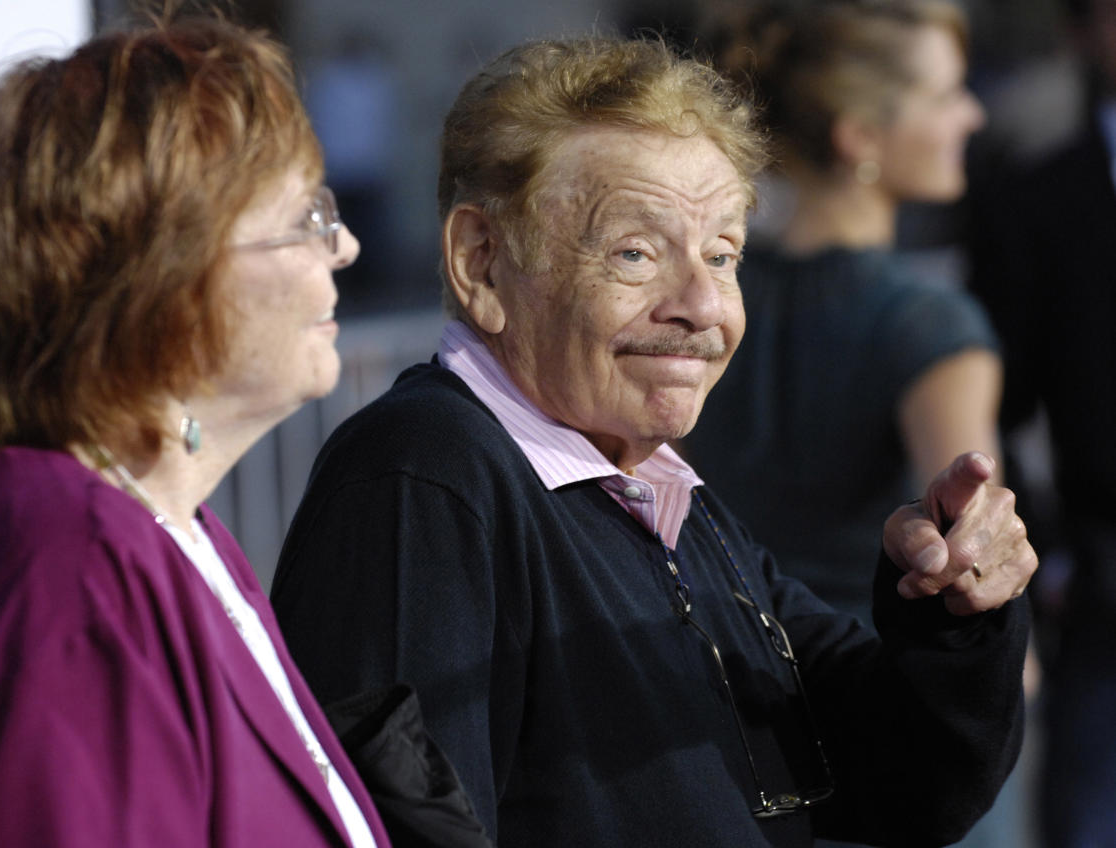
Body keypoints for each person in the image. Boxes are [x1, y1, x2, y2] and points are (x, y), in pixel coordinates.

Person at [271, 35, 1037, 847]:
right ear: (482, 262)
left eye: (723, 254)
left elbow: (909, 786)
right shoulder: (423, 476)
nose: (703, 304)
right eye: (636, 253)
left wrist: (953, 610)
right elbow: (397, 824)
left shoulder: (657, 494)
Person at [0, 15, 390, 847]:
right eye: (305, 217)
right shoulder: (70, 571)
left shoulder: (163, 527)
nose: (345, 246)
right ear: (170, 282)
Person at [684, 0, 999, 626]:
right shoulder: (929, 326)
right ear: (859, 136)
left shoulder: (704, 293)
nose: (972, 113)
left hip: (717, 662)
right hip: (862, 679)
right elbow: (979, 571)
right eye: (945, 96)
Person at [966, 1, 1116, 844]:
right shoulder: (1032, 199)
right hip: (1103, 591)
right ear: (1083, 33)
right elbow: (997, 401)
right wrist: (1051, 548)